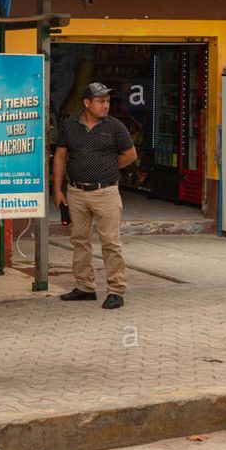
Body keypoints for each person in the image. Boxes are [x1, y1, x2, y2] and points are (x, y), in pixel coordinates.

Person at [53, 82, 139, 310]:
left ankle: (116, 290)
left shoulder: (115, 127)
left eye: (108, 101)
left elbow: (130, 155)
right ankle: (85, 287)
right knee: (79, 240)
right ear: (87, 103)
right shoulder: (69, 125)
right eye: (101, 101)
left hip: (106, 192)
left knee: (110, 242)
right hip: (76, 192)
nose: (106, 105)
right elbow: (60, 156)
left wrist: (108, 168)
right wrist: (57, 189)